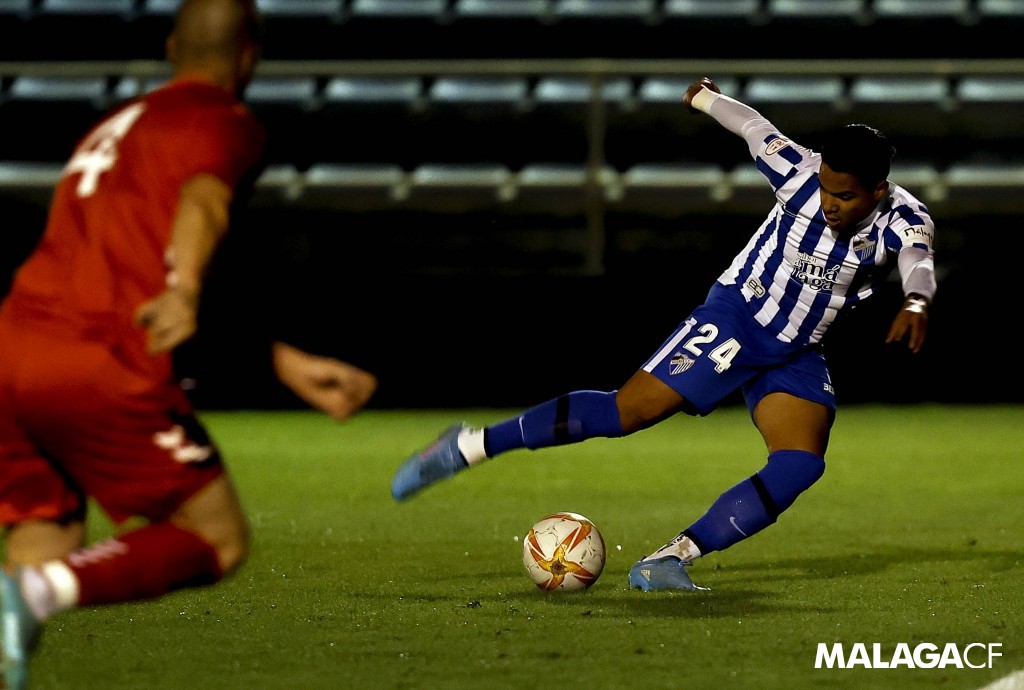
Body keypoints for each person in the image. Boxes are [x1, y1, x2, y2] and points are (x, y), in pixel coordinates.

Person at [390, 75, 936, 592]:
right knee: (623, 413)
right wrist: (704, 99)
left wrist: (915, 300)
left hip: (796, 348)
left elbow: (917, 260)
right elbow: (753, 127)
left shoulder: (903, 216)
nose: (828, 203)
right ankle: (468, 446)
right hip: (735, 320)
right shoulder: (798, 172)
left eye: (844, 197)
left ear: (878, 191)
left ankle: (667, 561)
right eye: (825, 189)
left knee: (800, 462)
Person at [0, 1, 376, 687]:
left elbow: (119, 256)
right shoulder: (222, 120)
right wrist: (187, 288)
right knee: (216, 538)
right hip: (94, 358)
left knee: (45, 535)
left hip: (13, 344)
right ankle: (38, 593)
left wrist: (278, 361)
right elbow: (203, 203)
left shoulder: (114, 126)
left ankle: (26, 602)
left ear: (172, 46)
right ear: (250, 56)